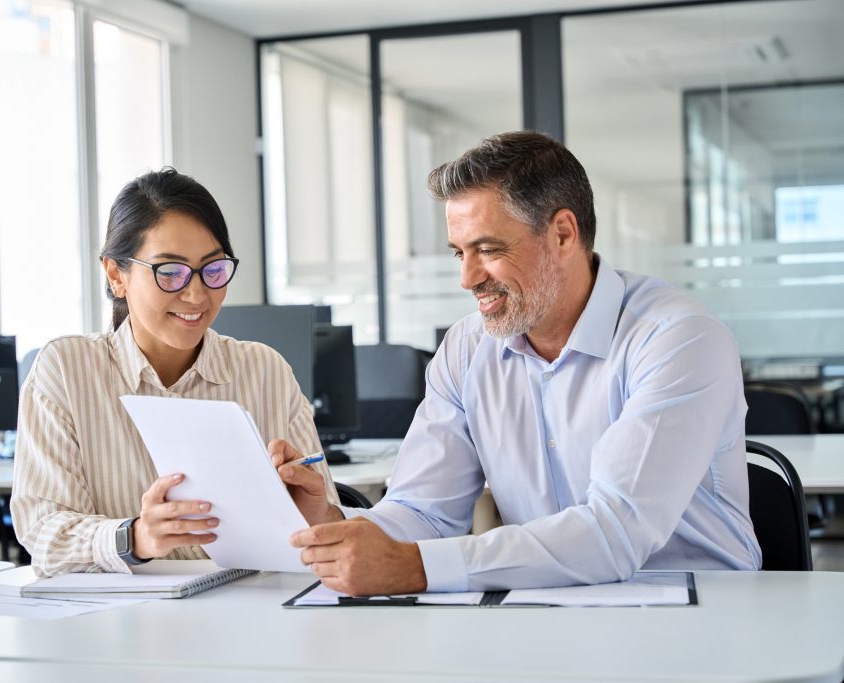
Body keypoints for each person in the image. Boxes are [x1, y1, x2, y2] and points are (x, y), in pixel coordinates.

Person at [277, 131, 762, 596]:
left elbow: (616, 531)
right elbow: (423, 510)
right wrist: (331, 531)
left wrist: (415, 567)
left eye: (488, 250)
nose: (468, 278)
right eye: (459, 253)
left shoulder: (678, 339)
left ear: (564, 234)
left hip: (699, 608)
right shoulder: (467, 350)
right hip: (546, 605)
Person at [12, 167, 337, 577]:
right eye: (170, 272)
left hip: (251, 612)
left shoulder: (264, 370)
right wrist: (136, 537)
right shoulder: (66, 369)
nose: (197, 293)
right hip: (121, 624)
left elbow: (325, 528)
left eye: (213, 269)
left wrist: (318, 514)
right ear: (116, 275)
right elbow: (43, 533)